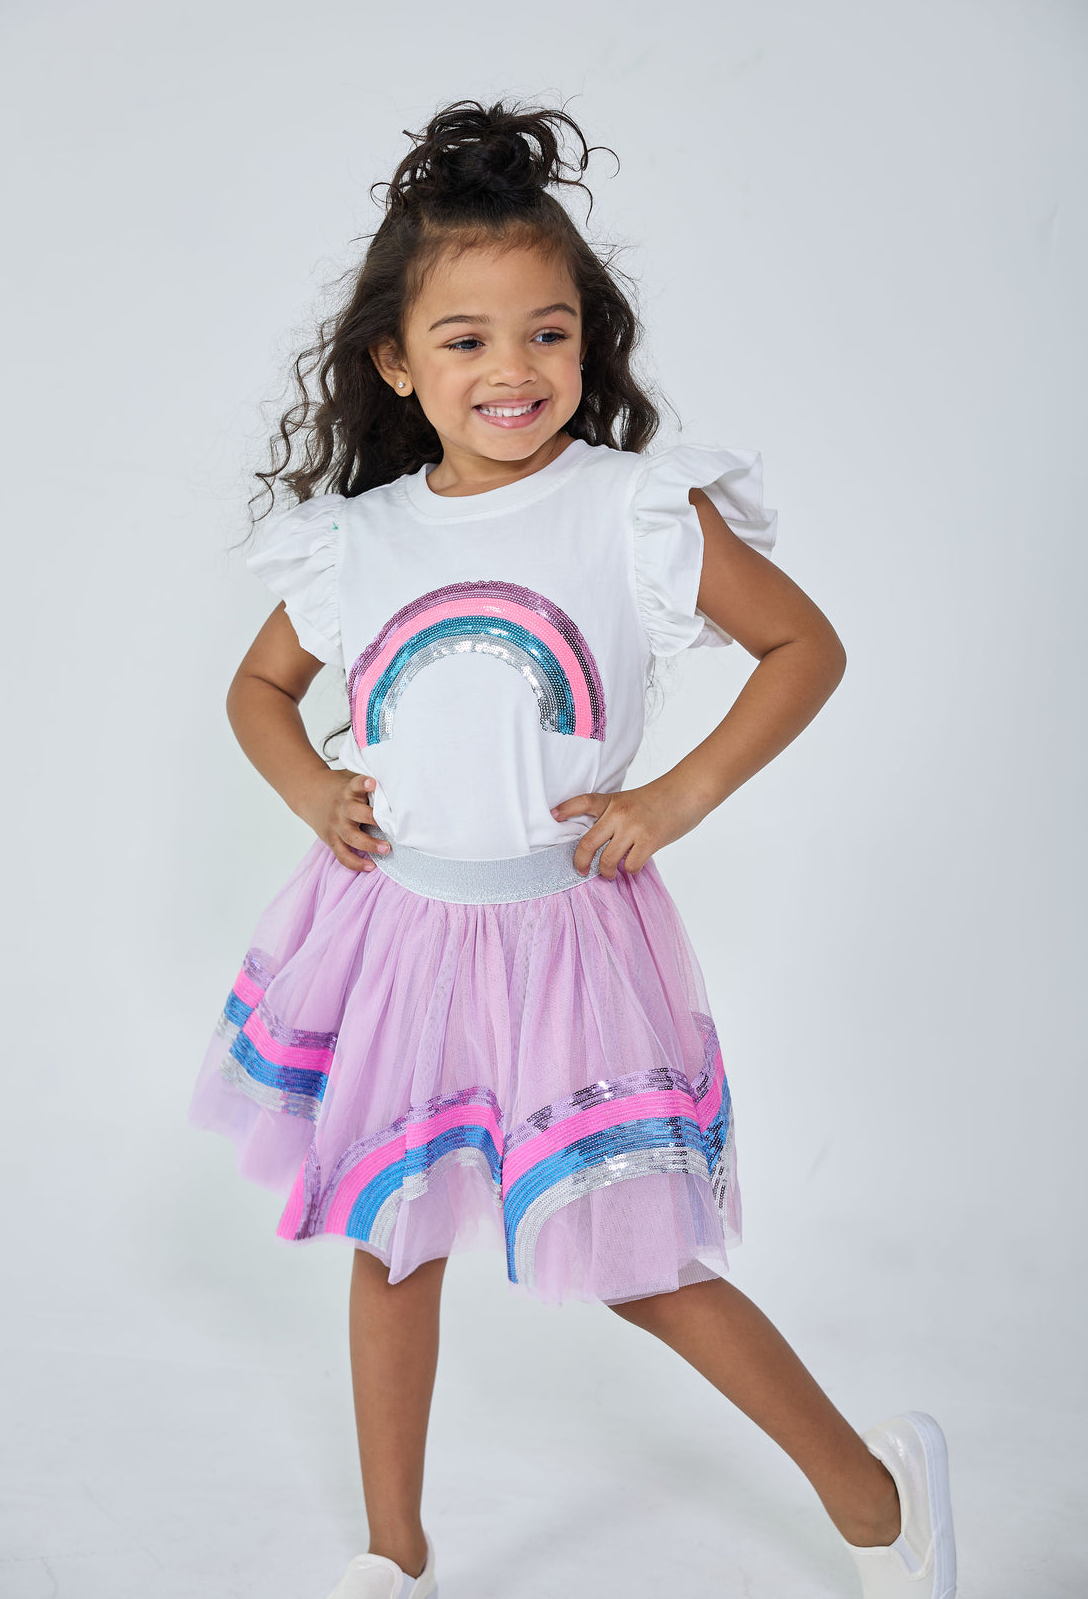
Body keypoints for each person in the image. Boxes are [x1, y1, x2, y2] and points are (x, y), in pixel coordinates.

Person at [188, 98, 956, 1599]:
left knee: (638, 1263)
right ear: (396, 364)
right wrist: (313, 789)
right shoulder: (358, 540)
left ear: (589, 343)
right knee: (391, 1244)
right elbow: (256, 691)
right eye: (466, 339)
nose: (514, 368)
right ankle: (395, 1554)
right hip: (399, 935)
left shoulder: (633, 509)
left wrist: (675, 796)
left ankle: (876, 1494)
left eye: (548, 332)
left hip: (567, 945)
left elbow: (803, 645)